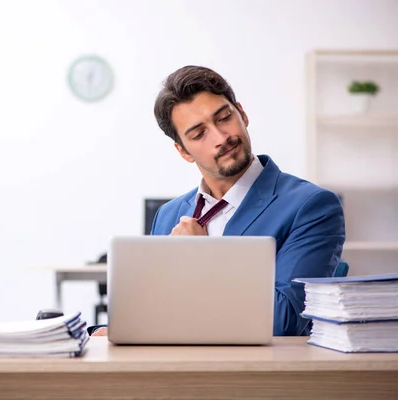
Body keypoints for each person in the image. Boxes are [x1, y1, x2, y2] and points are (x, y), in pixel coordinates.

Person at [91, 65, 345, 337]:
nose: (221, 138)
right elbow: (160, 312)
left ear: (242, 113)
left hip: (258, 377)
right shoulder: (169, 215)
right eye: (199, 134)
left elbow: (285, 322)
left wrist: (201, 258)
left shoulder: (312, 206)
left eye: (224, 118)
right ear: (184, 151)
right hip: (177, 370)